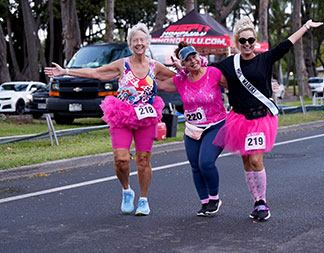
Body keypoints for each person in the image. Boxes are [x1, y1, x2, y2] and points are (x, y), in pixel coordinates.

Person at [44, 23, 175, 216]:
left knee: (143, 160)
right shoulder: (123, 64)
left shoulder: (155, 66)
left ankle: (144, 200)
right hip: (122, 115)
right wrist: (66, 72)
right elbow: (97, 72)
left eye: (142, 40)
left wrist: (191, 71)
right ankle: (126, 191)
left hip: (145, 116)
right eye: (135, 40)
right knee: (121, 160)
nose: (139, 43)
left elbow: (179, 79)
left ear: (147, 42)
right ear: (130, 44)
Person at [212, 17, 323, 221]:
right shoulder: (228, 64)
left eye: (251, 40)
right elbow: (207, 74)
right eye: (243, 41)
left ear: (255, 41)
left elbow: (287, 44)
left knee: (255, 159)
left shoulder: (265, 59)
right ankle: (256, 201)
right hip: (238, 119)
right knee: (246, 160)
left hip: (261, 118)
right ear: (237, 42)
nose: (247, 44)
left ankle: (262, 201)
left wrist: (306, 27)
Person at [157, 42, 228, 216]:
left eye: (194, 56)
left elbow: (235, 84)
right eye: (188, 60)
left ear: (200, 56)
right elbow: (160, 85)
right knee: (195, 165)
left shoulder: (213, 73)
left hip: (216, 125)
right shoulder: (181, 80)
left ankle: (214, 198)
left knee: (206, 162)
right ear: (184, 65)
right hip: (192, 129)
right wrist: (136, 76)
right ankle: (204, 202)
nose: (193, 61)